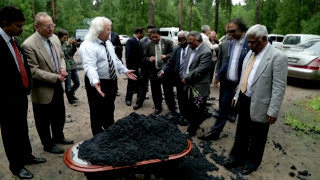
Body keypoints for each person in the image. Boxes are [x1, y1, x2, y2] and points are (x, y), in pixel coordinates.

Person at [224, 24, 287, 175]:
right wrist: (237, 95)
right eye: (249, 42)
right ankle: (236, 158)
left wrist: (273, 110)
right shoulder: (249, 54)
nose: (250, 45)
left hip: (261, 105)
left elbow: (279, 87)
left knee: (258, 137)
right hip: (245, 99)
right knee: (241, 132)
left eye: (253, 42)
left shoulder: (278, 57)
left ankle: (252, 163)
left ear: (264, 39)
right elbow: (244, 77)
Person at [0, 6, 46, 179]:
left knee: (22, 128)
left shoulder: (14, 40)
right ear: (5, 23)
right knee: (10, 133)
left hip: (20, 95)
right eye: (18, 26)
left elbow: (21, 66)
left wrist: (26, 87)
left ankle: (27, 156)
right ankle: (16, 166)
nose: (21, 29)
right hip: (5, 100)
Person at [22, 12, 73, 154]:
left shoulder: (55, 38)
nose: (51, 29)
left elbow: (61, 56)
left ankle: (58, 136)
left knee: (59, 114)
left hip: (57, 84)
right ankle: (48, 144)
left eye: (52, 25)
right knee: (43, 120)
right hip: (42, 89)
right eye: (47, 27)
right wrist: (55, 76)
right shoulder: (28, 45)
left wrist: (62, 68)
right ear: (37, 27)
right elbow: (34, 71)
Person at [79, 17, 137, 136]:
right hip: (97, 84)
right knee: (96, 110)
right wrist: (95, 81)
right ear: (98, 31)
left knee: (109, 108)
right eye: (108, 30)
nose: (110, 32)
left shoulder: (108, 43)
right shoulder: (88, 45)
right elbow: (90, 66)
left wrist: (125, 71)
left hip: (111, 82)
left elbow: (115, 60)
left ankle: (109, 132)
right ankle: (98, 136)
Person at [199, 18, 249, 141]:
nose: (229, 34)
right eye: (228, 32)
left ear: (242, 29)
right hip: (228, 83)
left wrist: (244, 81)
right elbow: (228, 61)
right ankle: (215, 133)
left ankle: (244, 140)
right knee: (223, 109)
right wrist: (219, 75)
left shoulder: (250, 43)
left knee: (244, 113)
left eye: (232, 31)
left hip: (243, 85)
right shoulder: (231, 43)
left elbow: (253, 65)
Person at [182, 31, 212, 136]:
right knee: (191, 106)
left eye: (191, 43)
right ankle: (193, 123)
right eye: (188, 43)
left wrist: (186, 77)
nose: (189, 45)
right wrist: (183, 75)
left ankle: (192, 130)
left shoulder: (206, 52)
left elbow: (201, 70)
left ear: (199, 41)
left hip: (199, 87)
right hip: (189, 84)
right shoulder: (191, 48)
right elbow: (187, 64)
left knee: (197, 107)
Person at [158, 31, 190, 125]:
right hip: (178, 77)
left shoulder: (192, 50)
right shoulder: (177, 49)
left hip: (189, 78)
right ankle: (182, 115)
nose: (180, 43)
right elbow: (170, 62)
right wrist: (163, 70)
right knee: (180, 97)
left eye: (182, 40)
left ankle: (188, 116)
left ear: (187, 39)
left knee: (187, 98)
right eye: (179, 40)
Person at [145, 28, 176, 115]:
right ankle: (158, 107)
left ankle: (172, 108)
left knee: (168, 91)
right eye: (152, 37)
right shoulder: (148, 45)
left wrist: (166, 56)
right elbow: (144, 57)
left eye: (156, 37)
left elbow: (173, 54)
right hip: (153, 71)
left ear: (160, 35)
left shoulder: (168, 43)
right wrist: (149, 58)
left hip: (166, 71)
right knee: (155, 91)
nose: (154, 39)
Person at [133, 25, 155, 110]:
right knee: (142, 86)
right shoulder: (142, 41)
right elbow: (139, 55)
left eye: (151, 33)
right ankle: (139, 103)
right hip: (144, 67)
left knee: (155, 87)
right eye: (148, 33)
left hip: (154, 68)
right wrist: (139, 66)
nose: (150, 34)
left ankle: (157, 105)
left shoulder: (158, 41)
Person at [58, 29, 80, 105]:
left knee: (77, 83)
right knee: (68, 86)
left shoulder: (66, 43)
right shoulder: (58, 44)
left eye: (66, 37)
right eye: (64, 37)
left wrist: (74, 45)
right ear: (60, 37)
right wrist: (68, 44)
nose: (65, 39)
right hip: (66, 67)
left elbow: (71, 53)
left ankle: (72, 94)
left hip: (72, 65)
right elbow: (63, 54)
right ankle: (70, 100)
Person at [125, 27, 144, 106]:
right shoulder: (131, 41)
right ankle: (128, 99)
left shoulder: (138, 41)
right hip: (132, 66)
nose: (143, 35)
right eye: (143, 34)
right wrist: (129, 68)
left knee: (138, 83)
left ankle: (139, 99)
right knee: (131, 83)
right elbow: (128, 55)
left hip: (138, 66)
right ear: (139, 33)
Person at [110, 29, 123, 96]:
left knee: (114, 75)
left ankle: (115, 90)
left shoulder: (115, 35)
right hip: (104, 59)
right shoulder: (100, 35)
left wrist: (116, 47)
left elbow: (120, 46)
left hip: (114, 58)